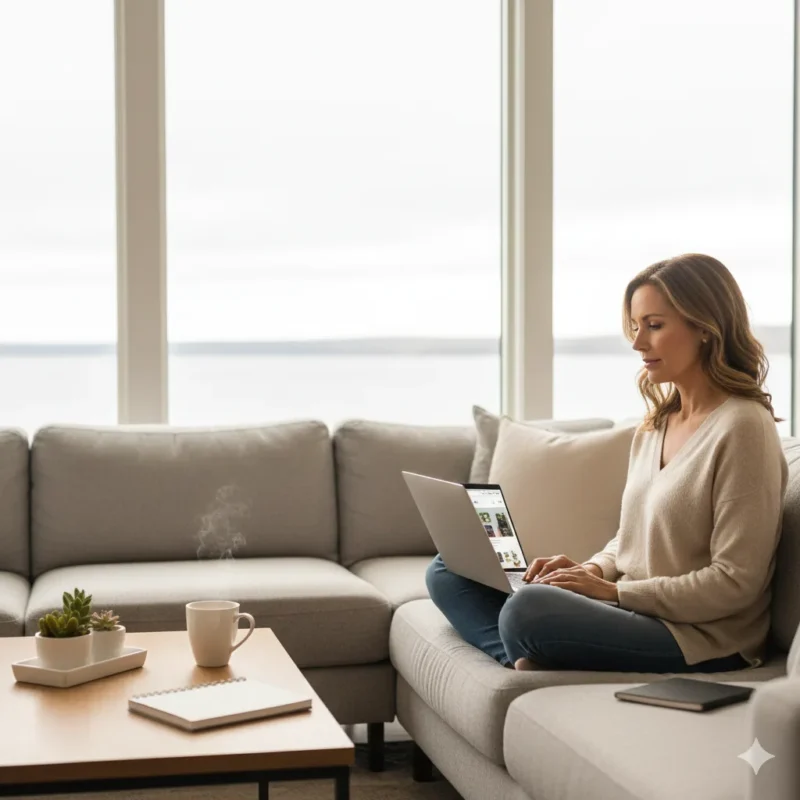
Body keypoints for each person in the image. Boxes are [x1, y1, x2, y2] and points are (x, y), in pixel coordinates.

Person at [427, 253, 788, 672]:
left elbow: (734, 582)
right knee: (447, 569)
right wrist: (590, 570)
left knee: (529, 610)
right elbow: (629, 539)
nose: (638, 343)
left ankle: (526, 645)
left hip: (697, 634)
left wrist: (611, 594)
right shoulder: (656, 424)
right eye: (636, 327)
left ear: (705, 328)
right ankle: (521, 655)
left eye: (654, 325)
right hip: (633, 611)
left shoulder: (744, 427)